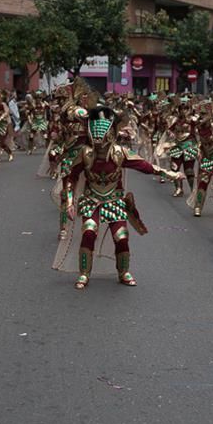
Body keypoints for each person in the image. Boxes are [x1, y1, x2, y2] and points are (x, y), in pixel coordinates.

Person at [55, 103, 181, 289]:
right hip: (92, 199)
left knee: (121, 236)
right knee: (89, 231)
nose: (99, 141)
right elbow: (71, 178)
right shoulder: (85, 154)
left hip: (114, 199)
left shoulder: (120, 153)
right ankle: (84, 273)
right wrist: (70, 202)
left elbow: (145, 166)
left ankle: (123, 272)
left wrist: (168, 173)